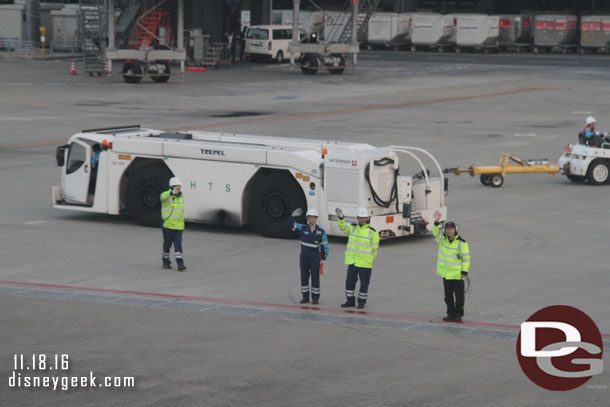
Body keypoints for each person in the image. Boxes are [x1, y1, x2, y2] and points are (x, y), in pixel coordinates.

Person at [429, 211, 470, 322]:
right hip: (446, 274)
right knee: (448, 296)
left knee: (459, 296)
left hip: (457, 275)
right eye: (447, 229)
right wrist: (436, 221)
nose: (449, 231)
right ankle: (450, 313)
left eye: (451, 229)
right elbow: (434, 233)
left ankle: (458, 314)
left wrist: (464, 271)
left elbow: (466, 259)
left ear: (455, 230)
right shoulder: (442, 240)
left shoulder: (462, 243)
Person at [336, 207, 380, 309]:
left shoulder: (372, 232)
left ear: (367, 218)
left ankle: (361, 302)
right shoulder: (352, 228)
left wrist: (368, 259)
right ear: (357, 218)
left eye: (364, 218)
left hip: (365, 263)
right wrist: (341, 218)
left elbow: (375, 250)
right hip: (352, 261)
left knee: (364, 283)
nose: (362, 219)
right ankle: (350, 300)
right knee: (349, 282)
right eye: (360, 217)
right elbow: (343, 228)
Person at [289, 208, 329, 304]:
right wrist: (292, 217)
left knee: (315, 278)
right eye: (311, 217)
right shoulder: (302, 228)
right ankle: (305, 297)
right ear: (307, 218)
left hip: (315, 257)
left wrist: (323, 258)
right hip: (304, 257)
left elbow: (324, 246)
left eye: (315, 217)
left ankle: (315, 298)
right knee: (304, 276)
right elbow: (291, 225)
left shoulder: (321, 231)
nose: (313, 219)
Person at [161, 177, 186, 271]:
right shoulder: (166, 195)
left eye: (180, 187)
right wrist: (172, 192)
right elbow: (162, 197)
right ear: (172, 187)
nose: (179, 188)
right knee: (167, 245)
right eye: (177, 186)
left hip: (179, 227)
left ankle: (180, 264)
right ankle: (165, 261)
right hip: (168, 226)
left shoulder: (181, 196)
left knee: (178, 245)